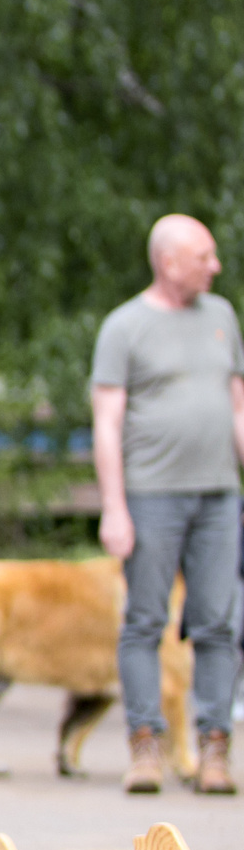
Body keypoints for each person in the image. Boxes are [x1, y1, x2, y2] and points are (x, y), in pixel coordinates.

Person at [93, 213, 244, 796]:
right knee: (145, 621)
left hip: (218, 495)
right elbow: (106, 423)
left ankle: (214, 748)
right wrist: (114, 507)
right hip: (151, 494)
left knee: (218, 623)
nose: (216, 265)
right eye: (204, 256)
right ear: (170, 261)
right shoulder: (124, 327)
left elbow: (236, 406)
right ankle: (145, 745)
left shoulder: (222, 317)